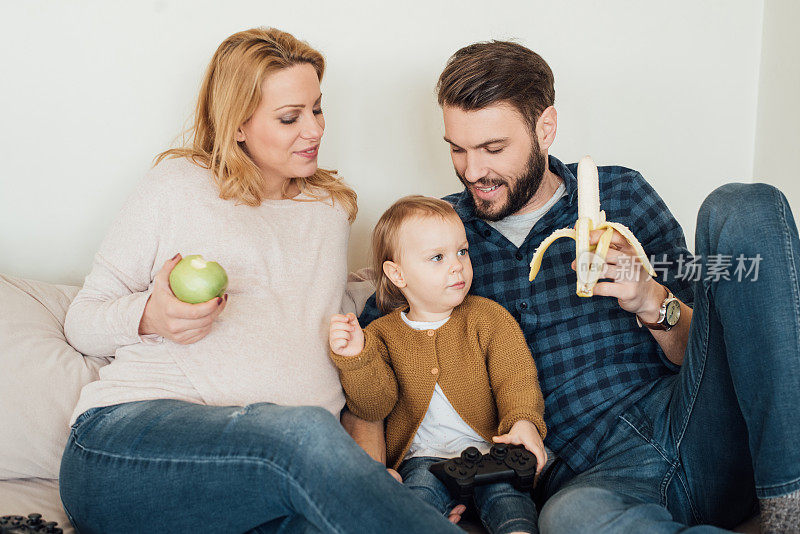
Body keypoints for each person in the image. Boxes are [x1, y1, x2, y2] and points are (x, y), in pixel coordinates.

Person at [358, 41, 800, 533]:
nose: (473, 171)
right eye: (457, 150)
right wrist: (374, 478)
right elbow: (370, 358)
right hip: (589, 483)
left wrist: (650, 298)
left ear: (545, 127)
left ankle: (790, 505)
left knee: (742, 206)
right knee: (568, 519)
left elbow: (720, 335)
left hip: (692, 422)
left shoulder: (624, 194)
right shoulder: (437, 236)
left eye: (493, 149)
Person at [59, 27, 462, 534]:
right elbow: (82, 321)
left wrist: (356, 478)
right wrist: (150, 314)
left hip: (271, 480)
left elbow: (333, 333)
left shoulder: (328, 210)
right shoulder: (178, 186)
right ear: (237, 125)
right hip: (129, 450)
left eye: (317, 108)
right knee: (304, 433)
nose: (313, 130)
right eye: (290, 118)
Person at [329, 195, 547, 534]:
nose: (457, 265)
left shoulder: (488, 318)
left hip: (492, 454)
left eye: (462, 251)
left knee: (513, 512)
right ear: (397, 273)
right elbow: (374, 404)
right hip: (423, 463)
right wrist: (357, 358)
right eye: (437, 258)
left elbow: (516, 380)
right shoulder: (381, 334)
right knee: (411, 515)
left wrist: (523, 422)